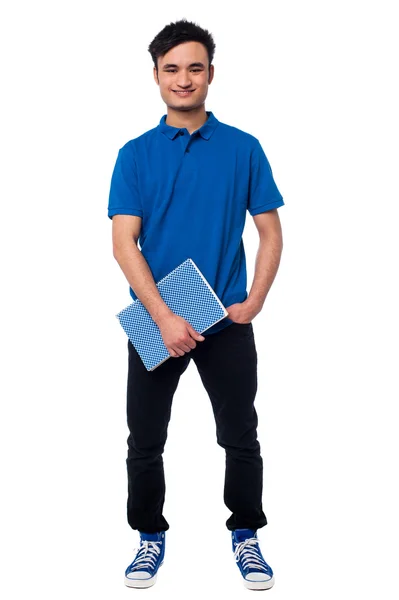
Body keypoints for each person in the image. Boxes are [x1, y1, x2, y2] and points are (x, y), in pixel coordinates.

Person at [108, 18, 284, 591]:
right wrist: (163, 315)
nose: (183, 79)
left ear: (211, 73)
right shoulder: (134, 154)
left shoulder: (243, 148)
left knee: (240, 434)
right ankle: (148, 537)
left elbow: (270, 231)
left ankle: (247, 535)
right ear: (156, 76)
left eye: (195, 67)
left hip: (226, 317)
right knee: (144, 438)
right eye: (171, 69)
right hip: (159, 317)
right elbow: (122, 241)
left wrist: (253, 301)